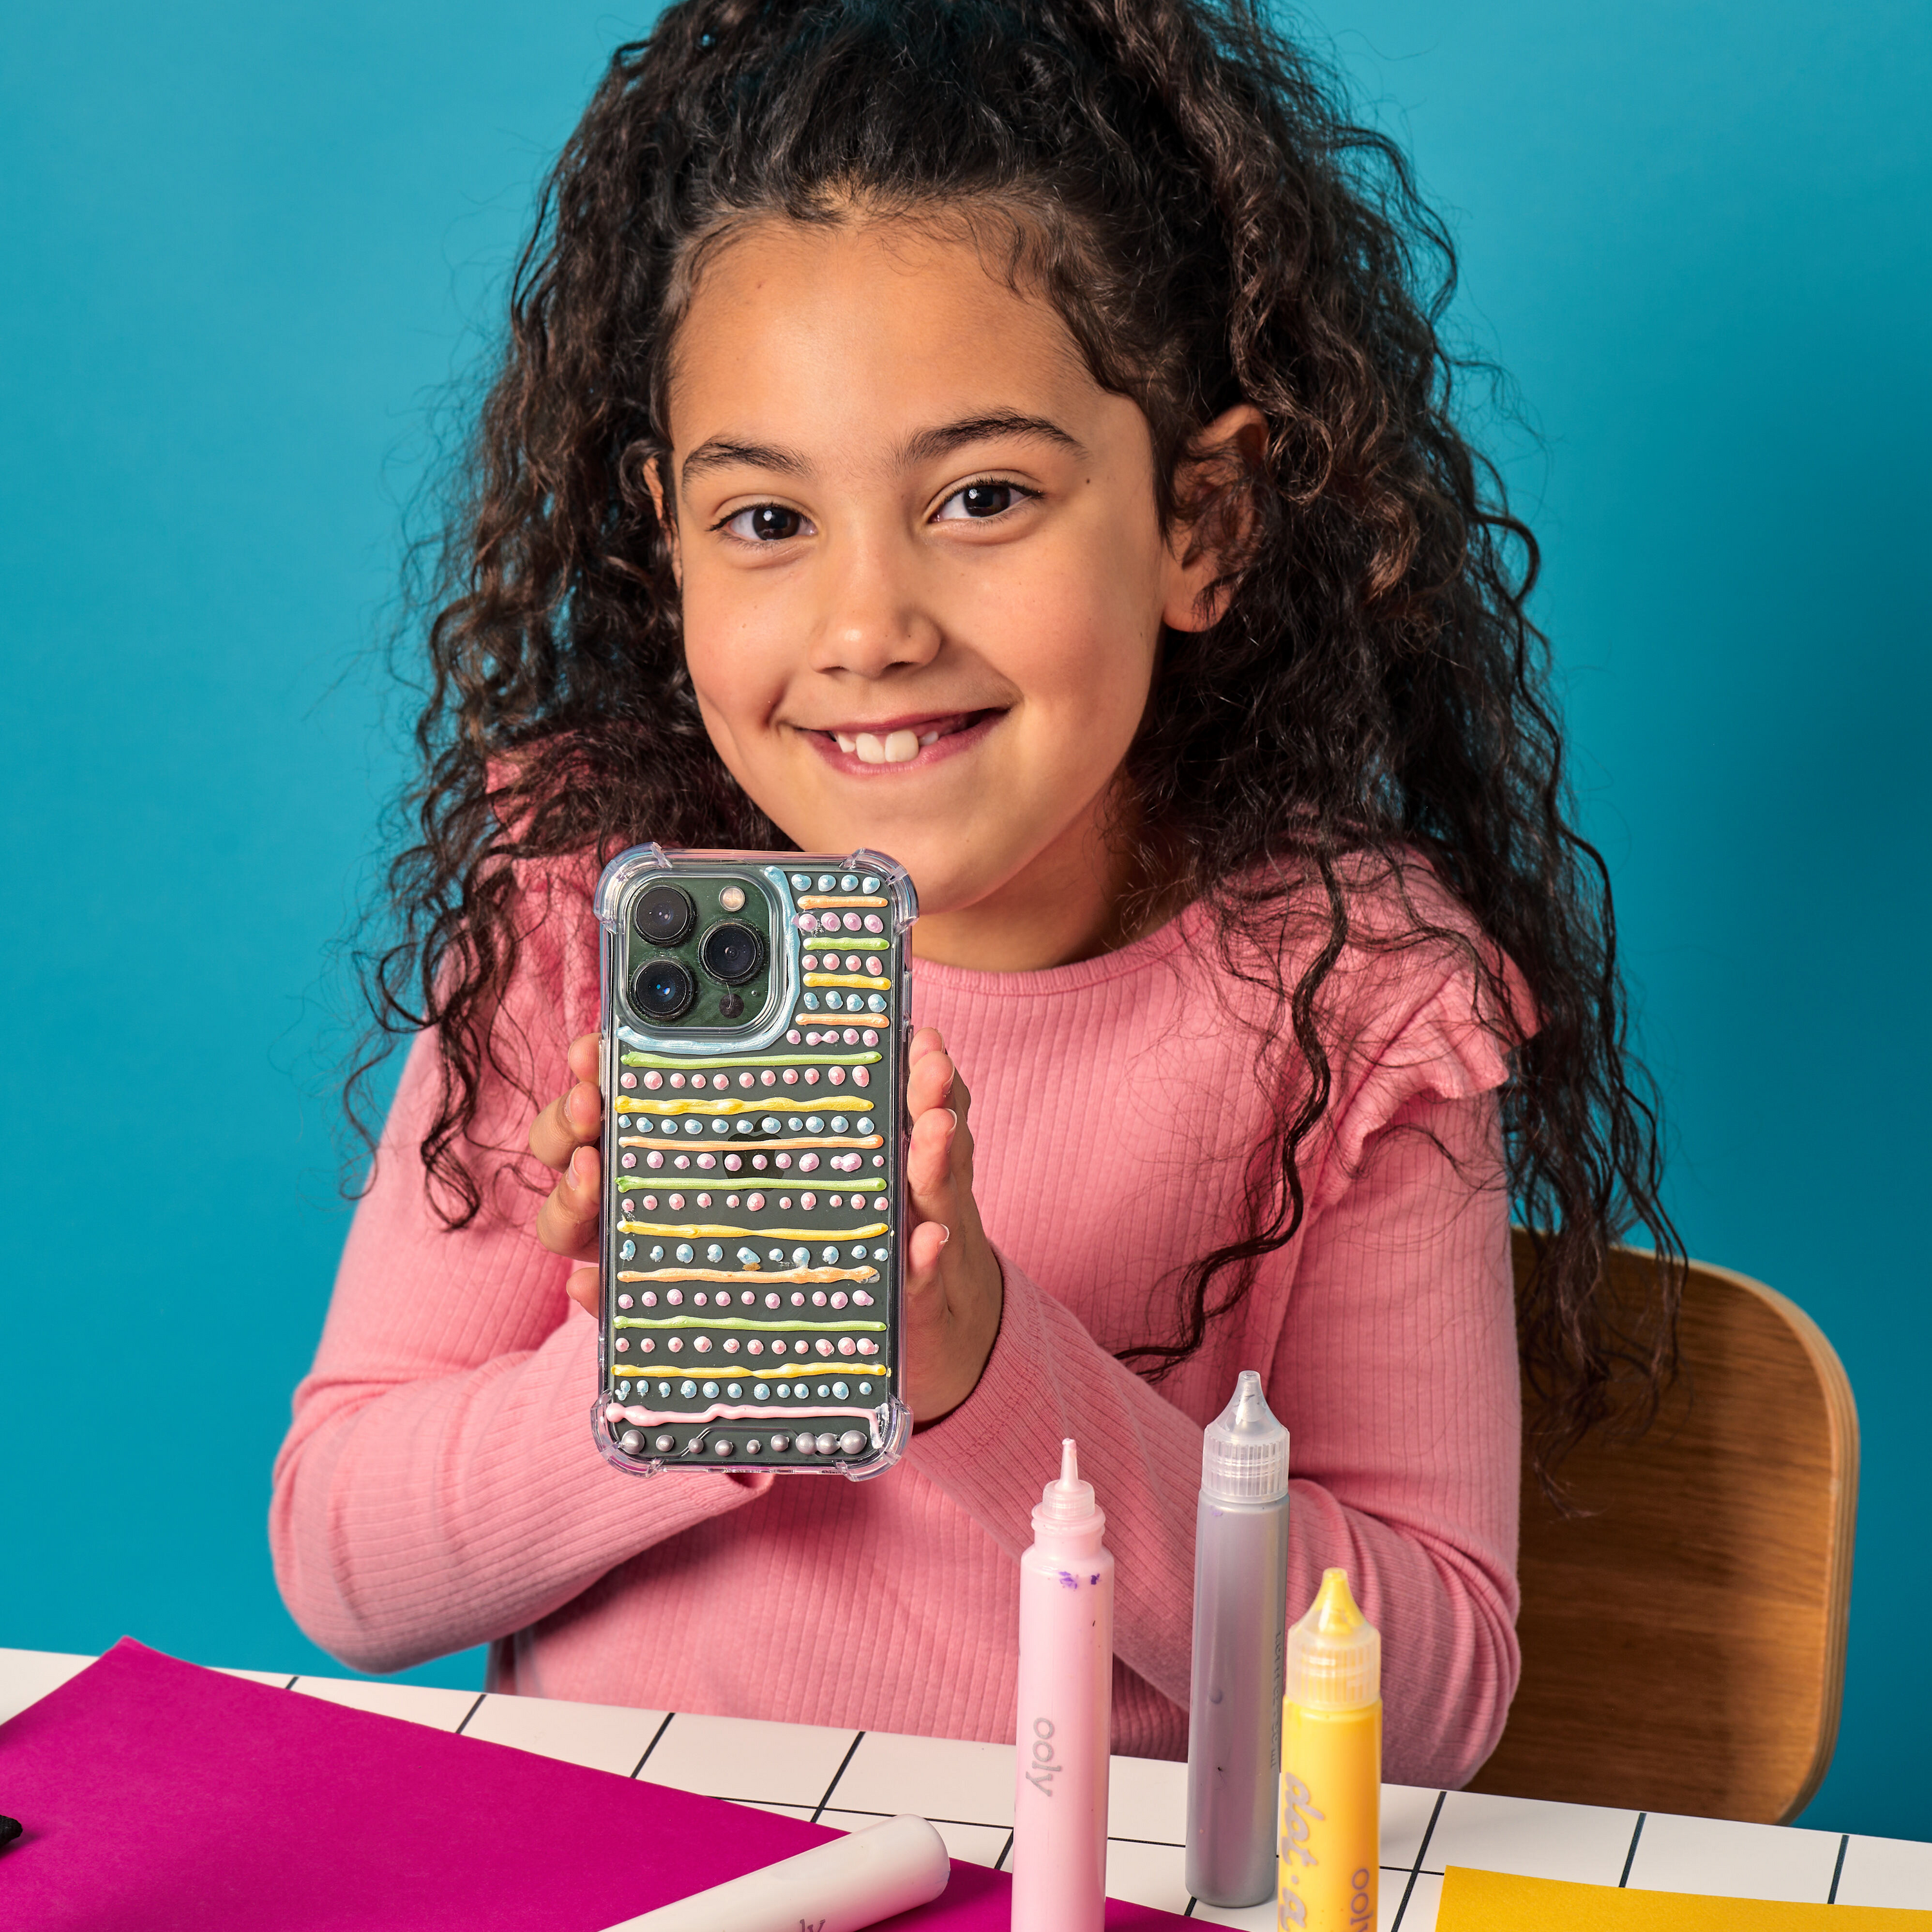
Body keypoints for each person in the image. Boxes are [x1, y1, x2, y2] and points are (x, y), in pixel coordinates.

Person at [272, 0, 1678, 1790]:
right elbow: (341, 1560)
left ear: (1202, 523)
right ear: (669, 534)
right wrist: (716, 1351)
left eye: (984, 494)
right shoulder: (583, 900)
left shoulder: (1356, 1000)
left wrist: (981, 1362)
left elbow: (1437, 1696)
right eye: (768, 522)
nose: (870, 629)